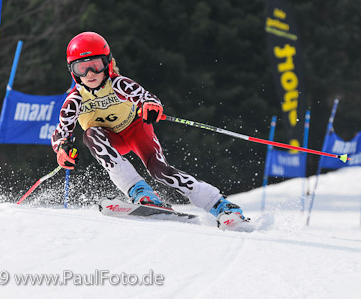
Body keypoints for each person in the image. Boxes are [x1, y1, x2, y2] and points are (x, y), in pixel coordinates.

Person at [51, 31, 246, 221]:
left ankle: (219, 204)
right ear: (73, 71)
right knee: (90, 135)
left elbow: (145, 96)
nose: (90, 73)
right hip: (111, 140)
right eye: (81, 68)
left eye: (96, 65)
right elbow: (61, 132)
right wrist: (62, 148)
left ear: (107, 64)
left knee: (160, 171)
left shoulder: (118, 84)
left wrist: (150, 105)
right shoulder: (74, 101)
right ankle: (141, 192)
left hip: (136, 130)